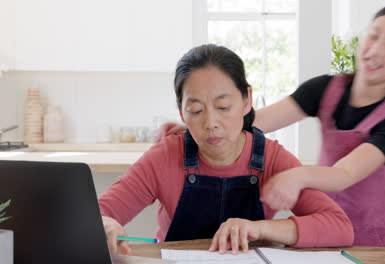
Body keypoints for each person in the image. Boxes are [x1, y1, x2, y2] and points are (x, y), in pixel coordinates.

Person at [98, 44, 354, 256]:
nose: (211, 123)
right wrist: (105, 225)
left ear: (246, 101)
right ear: (181, 113)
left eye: (223, 107)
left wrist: (259, 229)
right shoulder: (165, 156)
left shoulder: (271, 157)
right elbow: (99, 213)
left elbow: (339, 227)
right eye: (196, 110)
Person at [255, 1, 385, 247]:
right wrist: (202, 120)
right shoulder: (323, 89)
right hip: (326, 221)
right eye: (374, 35)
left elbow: (345, 173)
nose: (376, 50)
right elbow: (258, 121)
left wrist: (297, 176)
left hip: (372, 234)